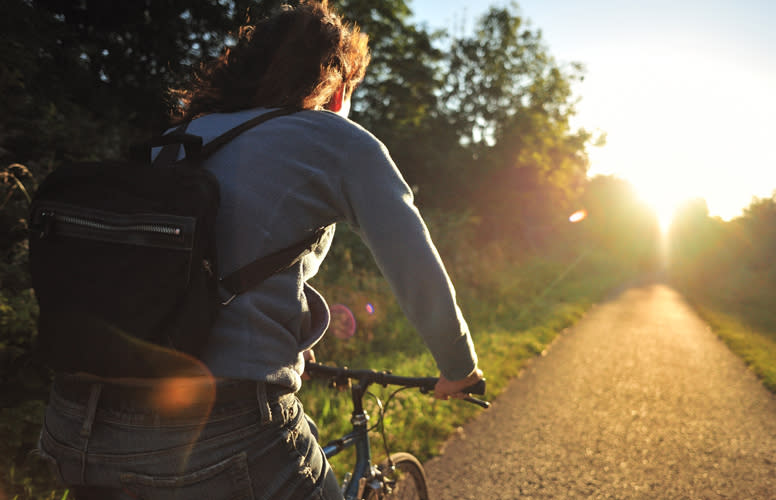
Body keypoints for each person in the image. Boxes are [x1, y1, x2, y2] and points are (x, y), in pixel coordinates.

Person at [36, 1, 482, 499]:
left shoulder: (179, 139)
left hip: (76, 425)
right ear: (336, 88)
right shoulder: (337, 139)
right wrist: (459, 369)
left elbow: (181, 277)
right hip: (220, 431)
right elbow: (414, 266)